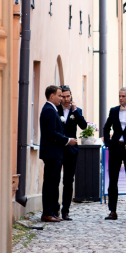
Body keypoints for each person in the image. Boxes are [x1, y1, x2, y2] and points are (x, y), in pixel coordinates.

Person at [39, 85, 75, 222]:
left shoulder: (52, 109)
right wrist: (68, 140)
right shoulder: (49, 110)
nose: (61, 98)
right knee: (51, 183)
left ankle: (52, 211)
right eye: (59, 96)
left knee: (53, 183)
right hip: (52, 152)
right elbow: (51, 133)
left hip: (54, 152)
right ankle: (47, 213)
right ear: (52, 96)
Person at [103, 87, 126, 222]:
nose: (121, 98)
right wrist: (108, 143)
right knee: (113, 180)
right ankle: (112, 211)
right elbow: (106, 127)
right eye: (119, 96)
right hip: (116, 148)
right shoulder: (114, 110)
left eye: (123, 96)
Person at [58, 86, 87, 220]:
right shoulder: (55, 109)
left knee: (68, 181)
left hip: (71, 151)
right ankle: (54, 208)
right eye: (63, 96)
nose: (65, 99)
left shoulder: (76, 111)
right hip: (57, 148)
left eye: (67, 96)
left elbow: (83, 126)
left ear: (71, 96)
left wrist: (75, 112)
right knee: (54, 179)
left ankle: (66, 210)